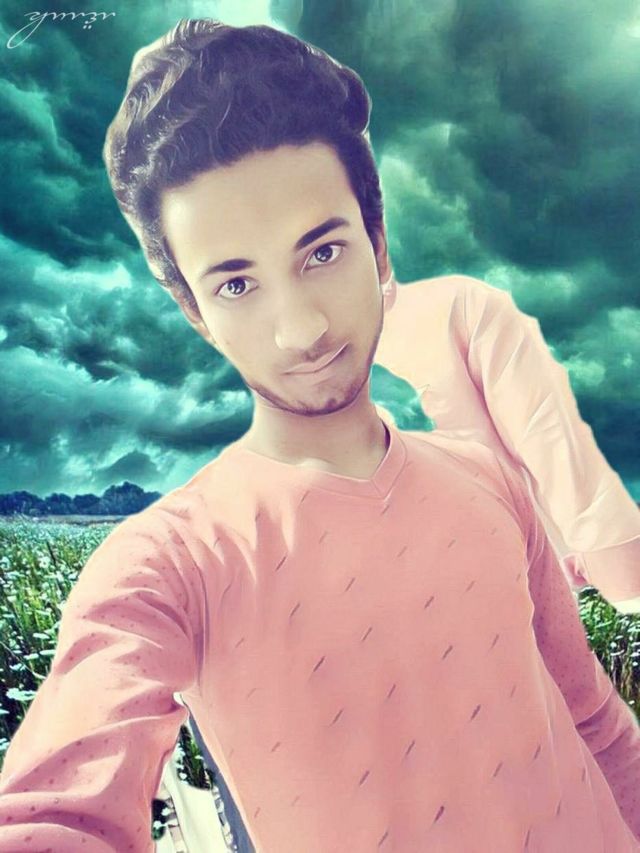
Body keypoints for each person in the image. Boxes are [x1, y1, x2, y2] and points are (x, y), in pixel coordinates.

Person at [0, 18, 638, 852]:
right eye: (236, 284)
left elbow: (595, 722)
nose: (299, 328)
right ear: (194, 311)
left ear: (378, 245)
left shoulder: (491, 480)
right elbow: (56, 815)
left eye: (322, 252)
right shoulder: (167, 563)